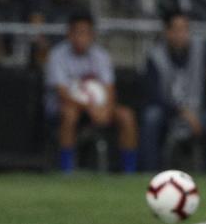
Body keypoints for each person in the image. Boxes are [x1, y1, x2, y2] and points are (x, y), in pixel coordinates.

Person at [45, 12, 138, 173]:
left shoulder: (100, 56)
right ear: (69, 34)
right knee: (70, 114)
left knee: (126, 116)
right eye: (77, 33)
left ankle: (129, 171)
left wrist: (106, 109)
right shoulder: (57, 55)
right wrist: (90, 108)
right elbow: (62, 93)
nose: (81, 38)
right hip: (66, 106)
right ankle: (67, 170)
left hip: (98, 107)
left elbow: (109, 87)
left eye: (85, 33)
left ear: (92, 35)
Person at [140, 10, 206, 172]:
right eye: (176, 30)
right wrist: (181, 112)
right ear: (167, 32)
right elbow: (153, 96)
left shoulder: (202, 51)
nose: (181, 34)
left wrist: (197, 113)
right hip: (169, 112)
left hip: (199, 112)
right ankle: (149, 171)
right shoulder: (155, 57)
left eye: (185, 29)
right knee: (151, 116)